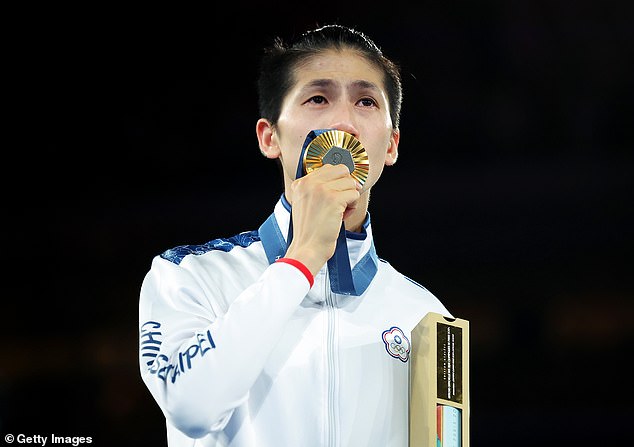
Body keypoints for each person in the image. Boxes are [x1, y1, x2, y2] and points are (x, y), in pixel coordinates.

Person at [138, 23, 453, 447]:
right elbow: (191, 409)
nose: (344, 122)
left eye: (365, 102)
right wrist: (300, 260)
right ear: (271, 137)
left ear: (391, 145)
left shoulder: (426, 314)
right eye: (318, 98)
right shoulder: (189, 276)